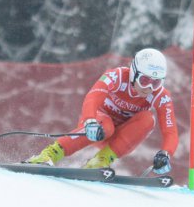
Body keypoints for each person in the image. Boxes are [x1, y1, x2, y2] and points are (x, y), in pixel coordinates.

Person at [25, 48, 178, 174]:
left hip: (120, 138)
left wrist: (166, 154)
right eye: (144, 81)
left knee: (148, 119)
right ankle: (49, 154)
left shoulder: (161, 95)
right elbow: (93, 96)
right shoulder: (116, 77)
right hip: (97, 126)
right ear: (134, 73)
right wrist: (90, 120)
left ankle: (100, 161)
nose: (149, 88)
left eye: (156, 83)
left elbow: (170, 130)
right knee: (107, 126)